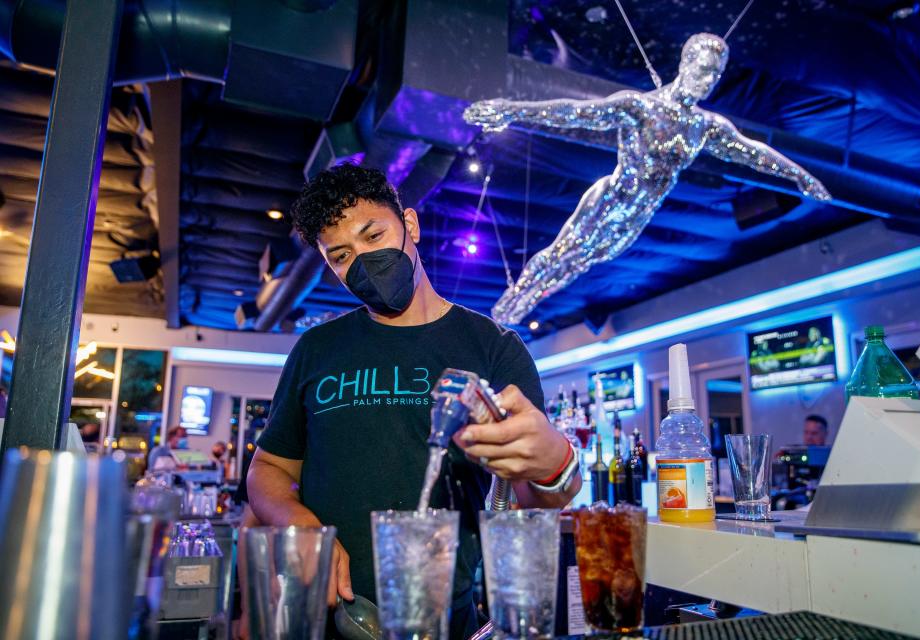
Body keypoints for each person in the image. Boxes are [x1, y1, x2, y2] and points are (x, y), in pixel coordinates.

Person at [247, 164, 581, 639]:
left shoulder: (492, 347)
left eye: (373, 235)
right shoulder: (316, 350)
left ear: (411, 225)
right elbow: (267, 470)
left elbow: (528, 502)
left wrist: (556, 469)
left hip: (445, 617)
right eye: (340, 255)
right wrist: (298, 524)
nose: (362, 261)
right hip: (326, 614)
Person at [464, 33, 831, 325]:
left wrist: (800, 176)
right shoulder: (640, 107)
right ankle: (506, 308)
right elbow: (574, 113)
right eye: (702, 70)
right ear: (685, 64)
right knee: (558, 255)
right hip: (611, 198)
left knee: (578, 264)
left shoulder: (704, 127)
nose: (707, 82)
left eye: (714, 76)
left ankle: (509, 315)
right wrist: (511, 111)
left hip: (636, 218)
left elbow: (753, 152)